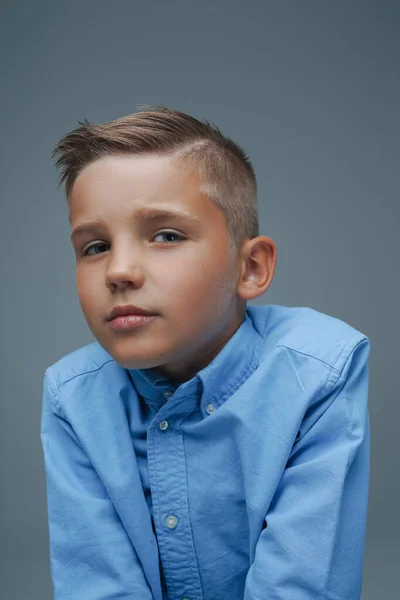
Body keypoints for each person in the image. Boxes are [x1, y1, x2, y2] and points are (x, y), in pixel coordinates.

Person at [40, 106, 370, 600]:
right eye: (94, 246)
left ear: (251, 267)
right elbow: (98, 585)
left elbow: (300, 587)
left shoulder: (320, 371)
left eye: (166, 235)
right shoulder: (73, 395)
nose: (119, 270)